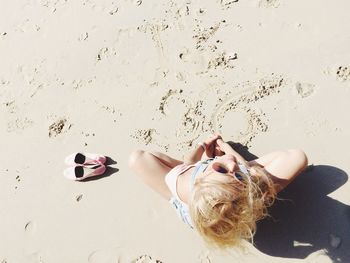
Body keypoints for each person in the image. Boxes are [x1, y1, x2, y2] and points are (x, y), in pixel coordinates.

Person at [128, 135, 308, 248]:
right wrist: (230, 151)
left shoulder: (182, 178)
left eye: (222, 168)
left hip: (200, 213)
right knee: (295, 157)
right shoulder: (245, 191)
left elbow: (189, 162)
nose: (230, 163)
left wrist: (201, 147)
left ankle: (229, 174)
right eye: (237, 175)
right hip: (237, 211)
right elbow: (293, 157)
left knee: (137, 158)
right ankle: (246, 176)